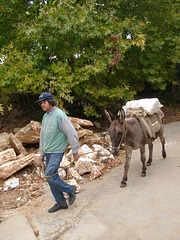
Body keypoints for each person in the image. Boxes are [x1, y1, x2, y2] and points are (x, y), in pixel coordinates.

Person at [36, 92, 80, 213]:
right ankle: (61, 202)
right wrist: (42, 153)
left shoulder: (60, 115)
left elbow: (71, 133)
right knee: (51, 177)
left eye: (44, 102)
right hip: (48, 151)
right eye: (41, 103)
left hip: (57, 151)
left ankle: (70, 189)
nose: (42, 105)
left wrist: (75, 150)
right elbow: (43, 136)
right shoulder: (45, 117)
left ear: (50, 101)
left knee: (49, 175)